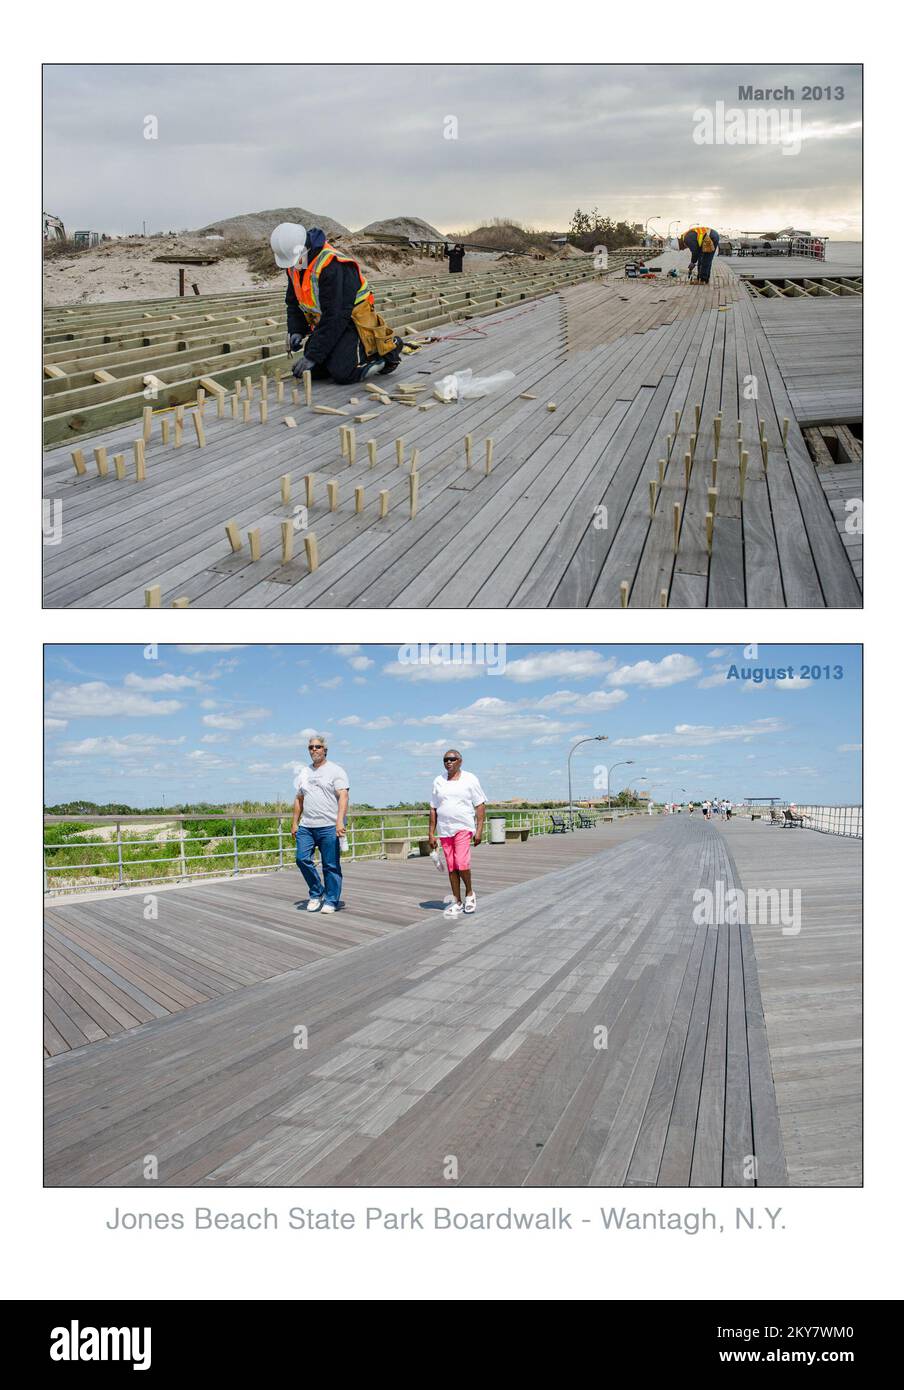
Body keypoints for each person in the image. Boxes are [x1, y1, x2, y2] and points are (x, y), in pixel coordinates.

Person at [271, 221, 402, 386]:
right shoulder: (295, 264)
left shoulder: (333, 266)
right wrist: (296, 330)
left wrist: (313, 355)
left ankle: (388, 351)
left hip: (353, 322)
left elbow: (337, 315)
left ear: (304, 248)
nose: (292, 265)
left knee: (342, 372)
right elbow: (293, 302)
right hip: (327, 324)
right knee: (312, 371)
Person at [291, 734, 349, 914]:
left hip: (329, 825)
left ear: (325, 750)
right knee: (301, 859)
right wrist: (294, 823)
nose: (314, 750)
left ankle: (331, 900)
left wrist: (339, 822)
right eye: (311, 747)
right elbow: (299, 799)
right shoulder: (304, 772)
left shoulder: (336, 771)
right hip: (307, 826)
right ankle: (317, 893)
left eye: (317, 747)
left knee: (330, 865)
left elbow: (343, 797)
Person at [428, 749, 487, 920]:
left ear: (460, 761)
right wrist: (431, 833)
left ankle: (469, 893)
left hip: (463, 828)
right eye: (446, 759)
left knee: (462, 863)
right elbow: (433, 808)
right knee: (452, 867)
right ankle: (457, 901)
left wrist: (479, 830)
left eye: (453, 759)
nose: (449, 762)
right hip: (445, 830)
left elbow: (480, 805)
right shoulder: (438, 781)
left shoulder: (470, 779)